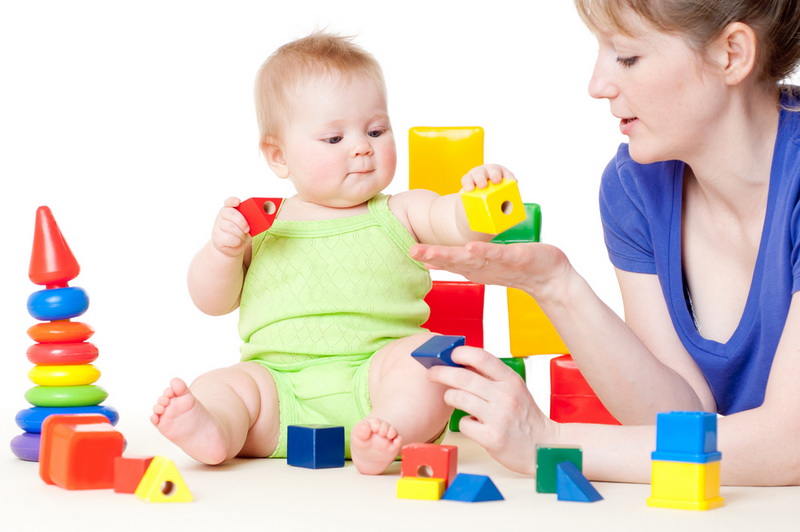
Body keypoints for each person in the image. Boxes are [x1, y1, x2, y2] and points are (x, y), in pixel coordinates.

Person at [410, 0, 800, 486]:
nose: (597, 85)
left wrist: (551, 442)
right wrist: (555, 286)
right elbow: (677, 418)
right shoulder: (634, 186)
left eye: (627, 57)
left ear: (732, 54)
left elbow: (789, 444)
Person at [150, 31, 514, 474]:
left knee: (428, 358)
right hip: (278, 391)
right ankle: (217, 429)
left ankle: (389, 430)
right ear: (279, 155)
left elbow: (451, 222)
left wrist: (480, 201)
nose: (362, 146)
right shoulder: (261, 223)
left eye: (376, 131)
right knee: (223, 384)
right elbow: (211, 301)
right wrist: (222, 252)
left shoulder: (401, 211)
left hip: (377, 379)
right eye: (334, 138)